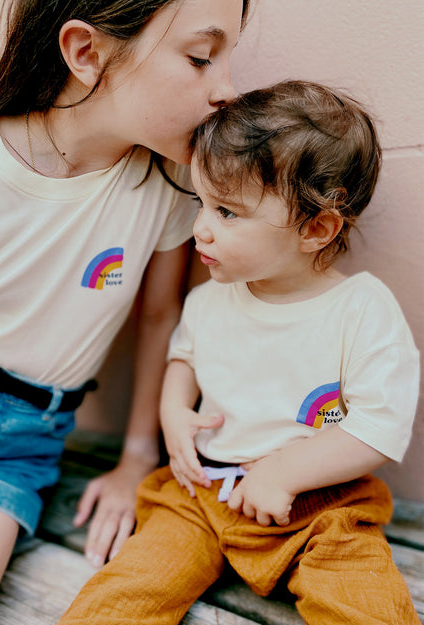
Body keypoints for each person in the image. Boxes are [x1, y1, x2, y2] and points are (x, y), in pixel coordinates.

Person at [0, 0, 251, 623]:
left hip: (8, 448)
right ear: (85, 52)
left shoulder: (170, 187)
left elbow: (160, 318)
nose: (227, 89)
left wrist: (136, 458)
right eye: (202, 58)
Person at [57, 80, 421, 625]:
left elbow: (379, 426)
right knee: (129, 590)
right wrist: (173, 414)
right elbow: (184, 359)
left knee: (364, 602)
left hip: (321, 510)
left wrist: (285, 473)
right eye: (201, 201)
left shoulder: (361, 309)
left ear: (316, 228)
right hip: (202, 495)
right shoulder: (211, 299)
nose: (201, 226)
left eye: (227, 212)